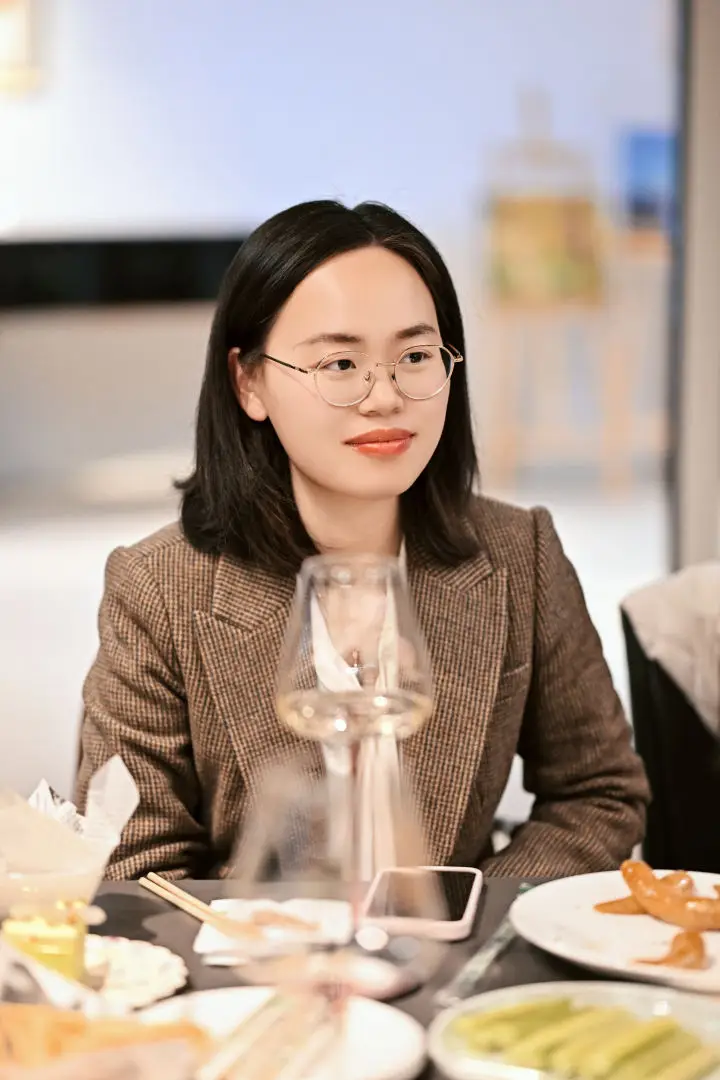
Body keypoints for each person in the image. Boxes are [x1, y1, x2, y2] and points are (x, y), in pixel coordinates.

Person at [75, 200, 649, 880]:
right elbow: (134, 860)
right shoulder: (160, 587)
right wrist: (283, 934)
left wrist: (460, 914)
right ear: (248, 381)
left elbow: (599, 792)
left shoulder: (520, 552)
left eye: (415, 356)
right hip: (254, 948)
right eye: (341, 364)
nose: (384, 397)